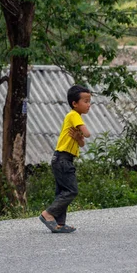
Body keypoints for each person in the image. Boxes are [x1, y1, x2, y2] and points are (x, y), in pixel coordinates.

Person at [39, 85, 92, 233]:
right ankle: (48, 214)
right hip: (63, 159)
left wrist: (77, 137)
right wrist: (82, 134)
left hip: (62, 159)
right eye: (86, 101)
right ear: (75, 103)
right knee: (71, 191)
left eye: (89, 101)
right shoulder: (74, 115)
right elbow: (87, 134)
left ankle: (59, 224)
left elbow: (81, 142)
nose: (89, 105)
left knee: (62, 192)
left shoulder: (75, 118)